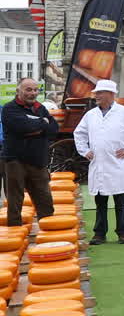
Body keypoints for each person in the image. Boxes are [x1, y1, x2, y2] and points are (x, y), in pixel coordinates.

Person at [73, 80, 124, 245]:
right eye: (96, 93)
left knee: (120, 201)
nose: (96, 96)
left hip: (117, 164)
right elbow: (78, 133)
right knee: (100, 202)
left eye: (100, 93)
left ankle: (123, 233)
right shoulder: (91, 115)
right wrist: (85, 150)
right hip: (99, 164)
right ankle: (99, 234)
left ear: (110, 94)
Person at [2, 77, 59, 227]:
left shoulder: (40, 108)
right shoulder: (9, 109)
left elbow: (53, 129)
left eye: (35, 90)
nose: (32, 93)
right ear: (18, 91)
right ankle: (14, 232)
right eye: (28, 90)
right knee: (15, 201)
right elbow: (22, 127)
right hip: (15, 160)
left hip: (37, 160)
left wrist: (35, 127)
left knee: (45, 198)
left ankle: (49, 232)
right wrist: (41, 124)